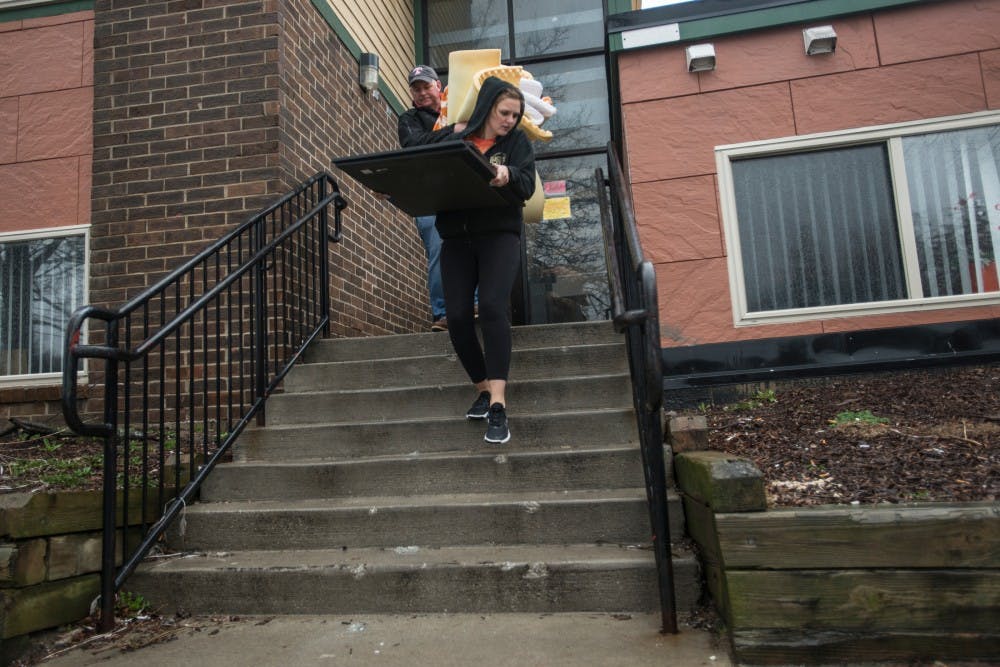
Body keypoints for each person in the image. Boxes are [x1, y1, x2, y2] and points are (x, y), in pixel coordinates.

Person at [437, 76, 536, 444]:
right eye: (504, 112)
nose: (510, 119)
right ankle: (480, 388)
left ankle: (497, 403)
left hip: (499, 236)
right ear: (488, 108)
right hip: (457, 239)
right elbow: (416, 151)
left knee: (493, 307)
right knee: (458, 316)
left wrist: (507, 174)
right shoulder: (456, 139)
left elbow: (526, 184)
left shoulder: (517, 143)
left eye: (516, 114)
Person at [397, 65, 448, 331]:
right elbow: (414, 145)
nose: (422, 93)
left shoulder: (459, 108)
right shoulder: (408, 119)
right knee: (439, 249)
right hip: (427, 196)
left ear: (438, 86)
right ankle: (442, 313)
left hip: (461, 189)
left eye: (426, 86)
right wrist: (452, 133)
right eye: (416, 89)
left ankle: (475, 305)